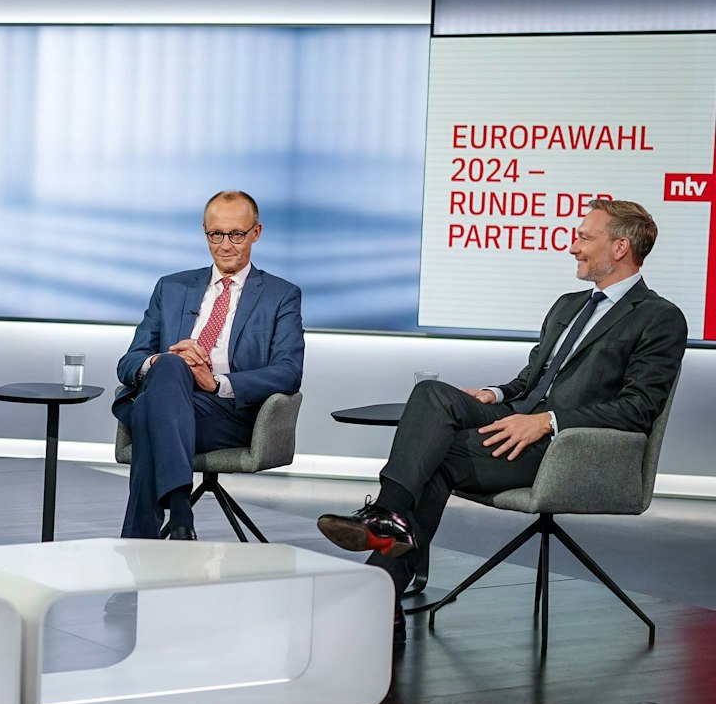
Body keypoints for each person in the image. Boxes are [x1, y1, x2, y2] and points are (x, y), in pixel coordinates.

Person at [317, 198, 685, 641]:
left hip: (563, 446)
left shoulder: (658, 318)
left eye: (585, 237)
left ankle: (381, 585)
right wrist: (495, 394)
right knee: (432, 394)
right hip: (518, 415)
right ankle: (388, 521)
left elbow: (638, 409)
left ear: (621, 247)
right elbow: (533, 377)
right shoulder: (569, 305)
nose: (573, 247)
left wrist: (548, 421)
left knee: (437, 459)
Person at [114, 190, 303, 541]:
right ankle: (180, 519)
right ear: (204, 231)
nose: (226, 245)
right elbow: (129, 362)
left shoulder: (281, 295)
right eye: (216, 234)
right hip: (175, 402)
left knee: (147, 415)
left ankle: (147, 533)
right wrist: (163, 360)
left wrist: (216, 382)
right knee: (169, 368)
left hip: (230, 413)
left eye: (237, 234)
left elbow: (289, 371)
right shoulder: (171, 288)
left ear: (256, 233)